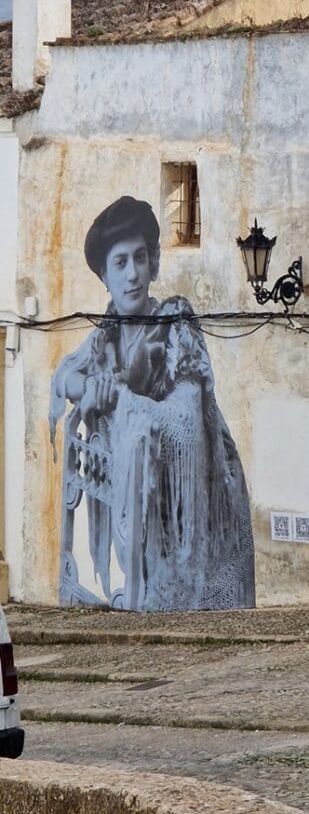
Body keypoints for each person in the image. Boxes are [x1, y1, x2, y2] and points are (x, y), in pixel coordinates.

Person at [49, 196, 255, 612]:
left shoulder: (176, 324)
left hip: (204, 483)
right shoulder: (105, 337)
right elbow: (64, 374)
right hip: (147, 489)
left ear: (152, 263)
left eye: (140, 259)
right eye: (120, 263)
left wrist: (121, 399)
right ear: (104, 276)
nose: (133, 275)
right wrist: (87, 389)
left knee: (201, 607)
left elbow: (186, 416)